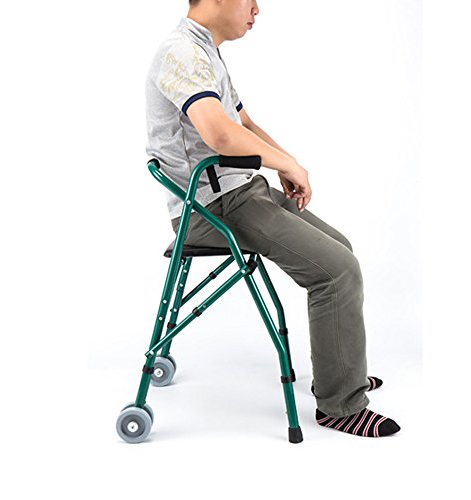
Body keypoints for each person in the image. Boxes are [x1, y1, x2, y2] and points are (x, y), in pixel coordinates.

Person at [145, 0, 401, 437]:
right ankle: (340, 406)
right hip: (212, 208)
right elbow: (219, 134)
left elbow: (243, 123)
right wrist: (283, 164)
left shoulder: (205, 51)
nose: (256, 9)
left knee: (340, 251)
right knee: (337, 272)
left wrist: (286, 162)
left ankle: (337, 373)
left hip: (241, 193)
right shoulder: (182, 52)